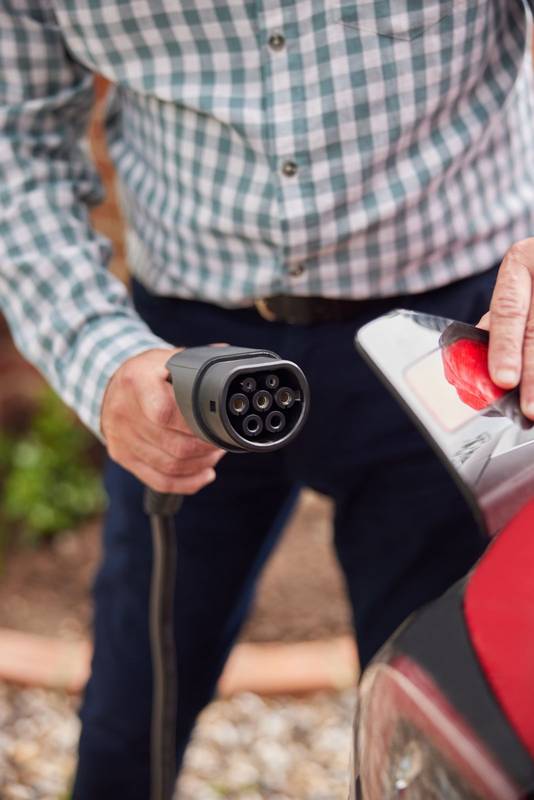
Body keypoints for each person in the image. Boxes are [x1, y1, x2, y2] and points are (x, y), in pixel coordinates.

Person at [2, 2, 534, 798]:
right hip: (178, 360)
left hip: (451, 341)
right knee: (130, 713)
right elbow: (14, 144)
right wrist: (98, 358)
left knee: (436, 739)